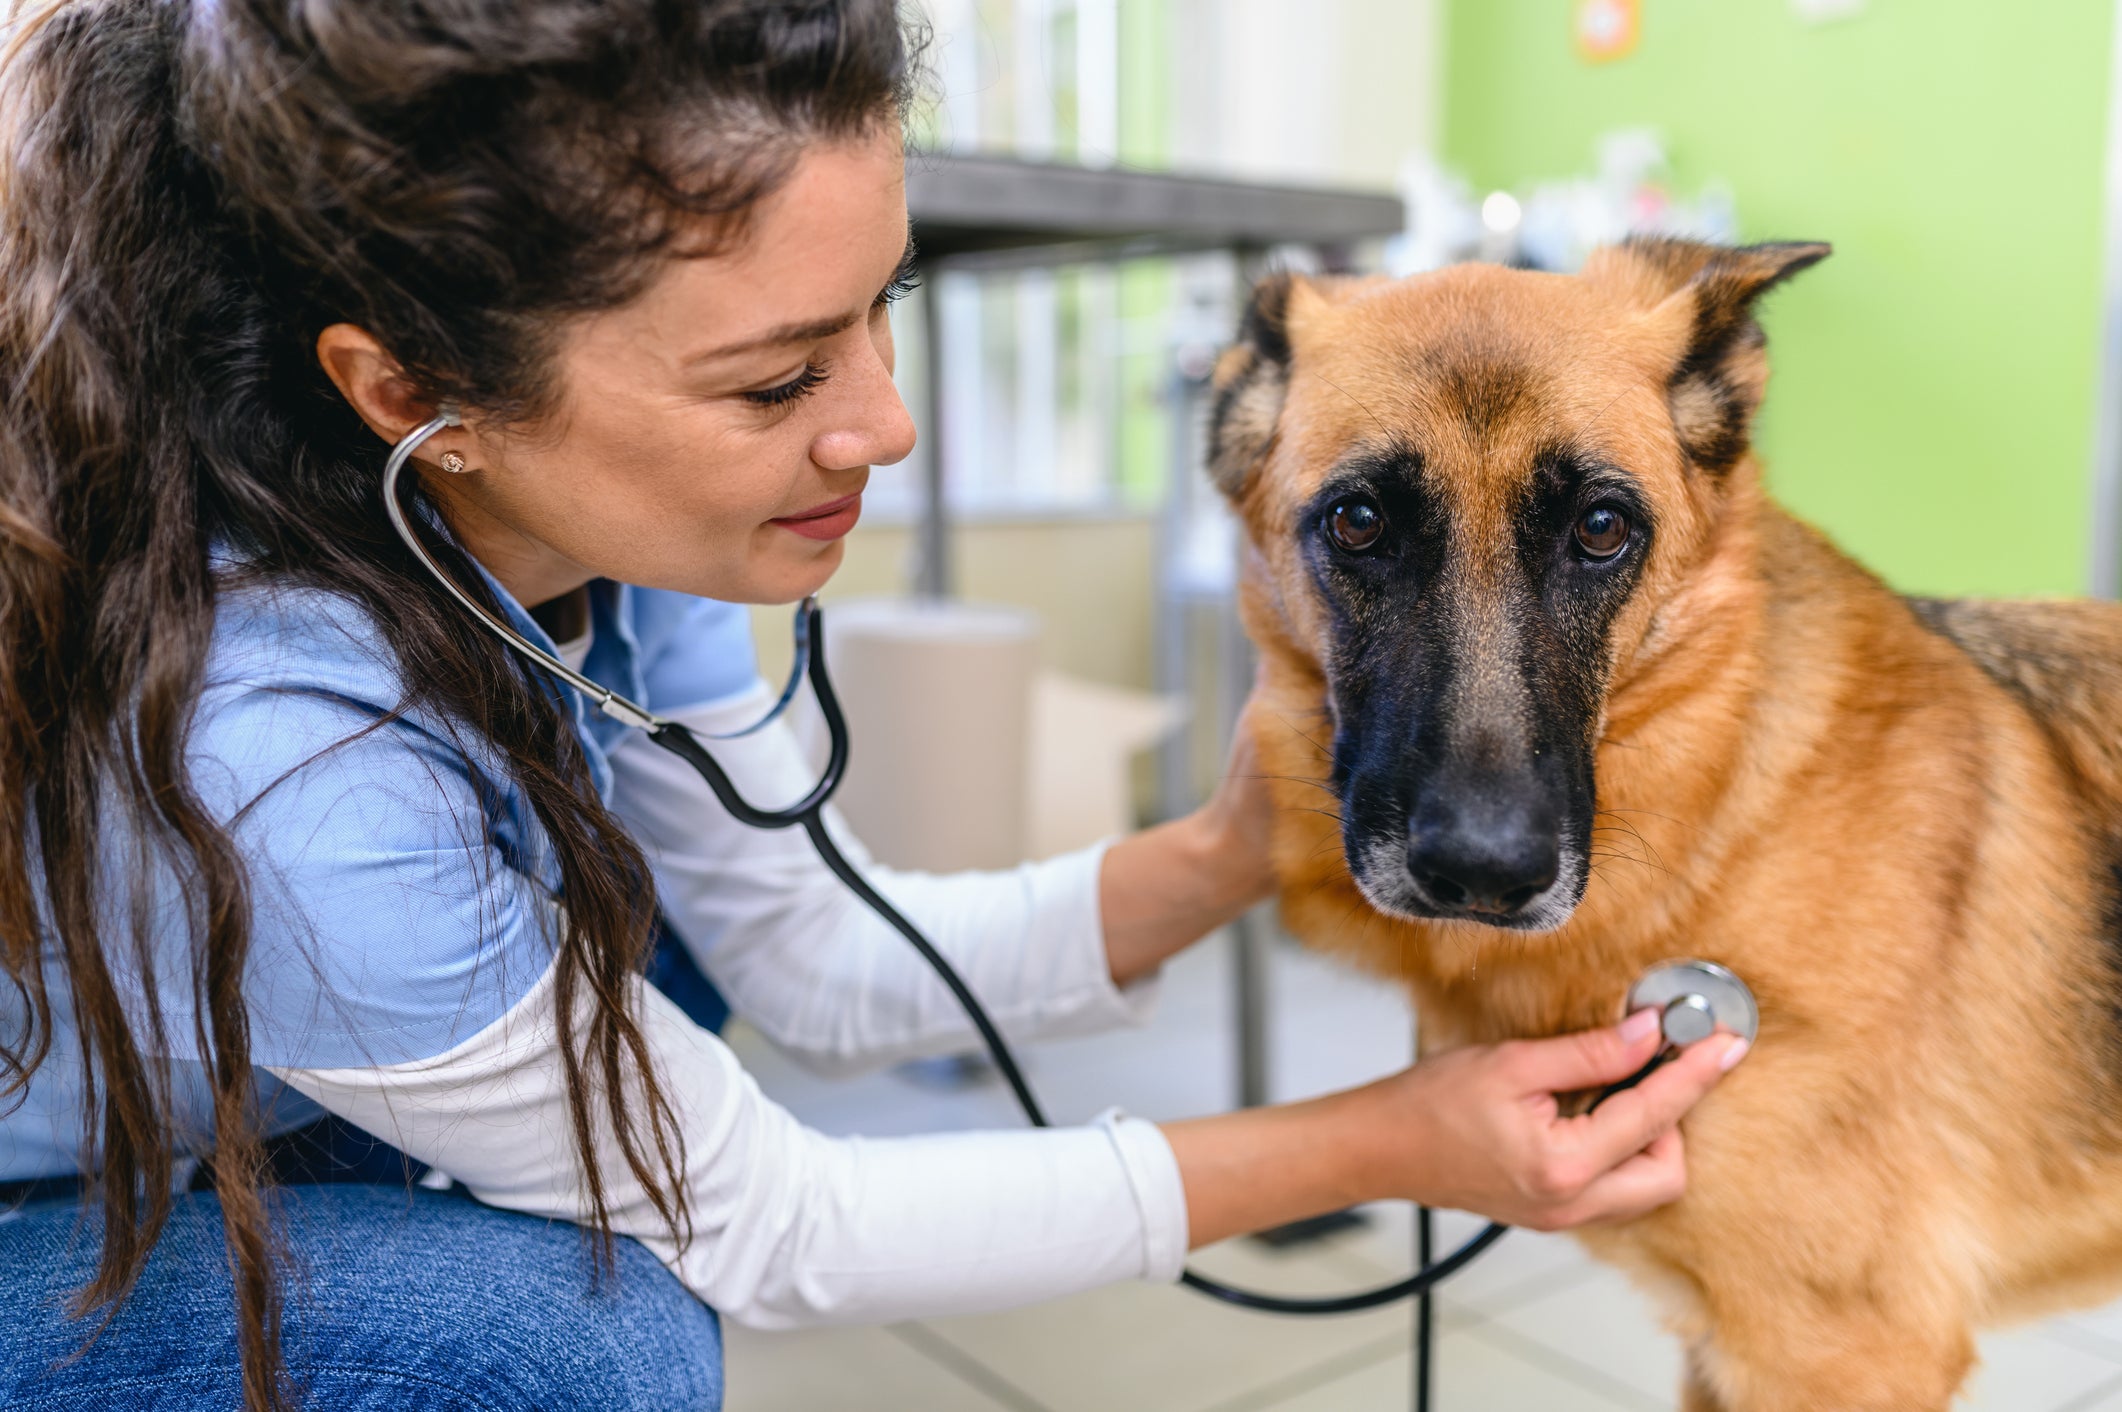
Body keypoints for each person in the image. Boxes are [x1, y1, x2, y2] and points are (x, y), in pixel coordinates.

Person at [0, 2, 1744, 1409]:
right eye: (778, 378)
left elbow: (811, 956)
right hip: (43, 1209)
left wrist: (1228, 850)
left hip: (278, 1050)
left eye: (876, 312)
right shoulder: (275, 753)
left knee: (662, 971)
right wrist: (1381, 1142)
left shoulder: (606, 540)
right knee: (564, 1343)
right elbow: (775, 1220)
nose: (881, 427)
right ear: (411, 395)